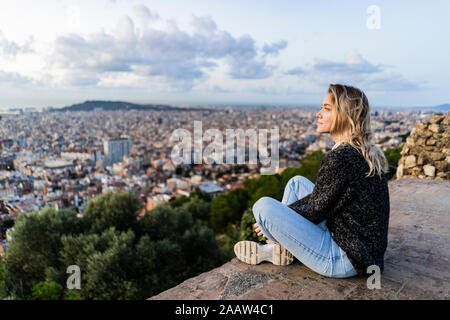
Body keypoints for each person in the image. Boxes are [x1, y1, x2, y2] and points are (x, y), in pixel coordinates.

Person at [234, 84, 390, 278]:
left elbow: (316, 209)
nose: (318, 114)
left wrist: (274, 219)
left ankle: (273, 246)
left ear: (344, 114)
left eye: (326, 108)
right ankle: (278, 246)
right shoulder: (359, 150)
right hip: (364, 250)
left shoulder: (341, 158)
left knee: (263, 207)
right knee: (296, 183)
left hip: (345, 259)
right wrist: (281, 218)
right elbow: (322, 201)